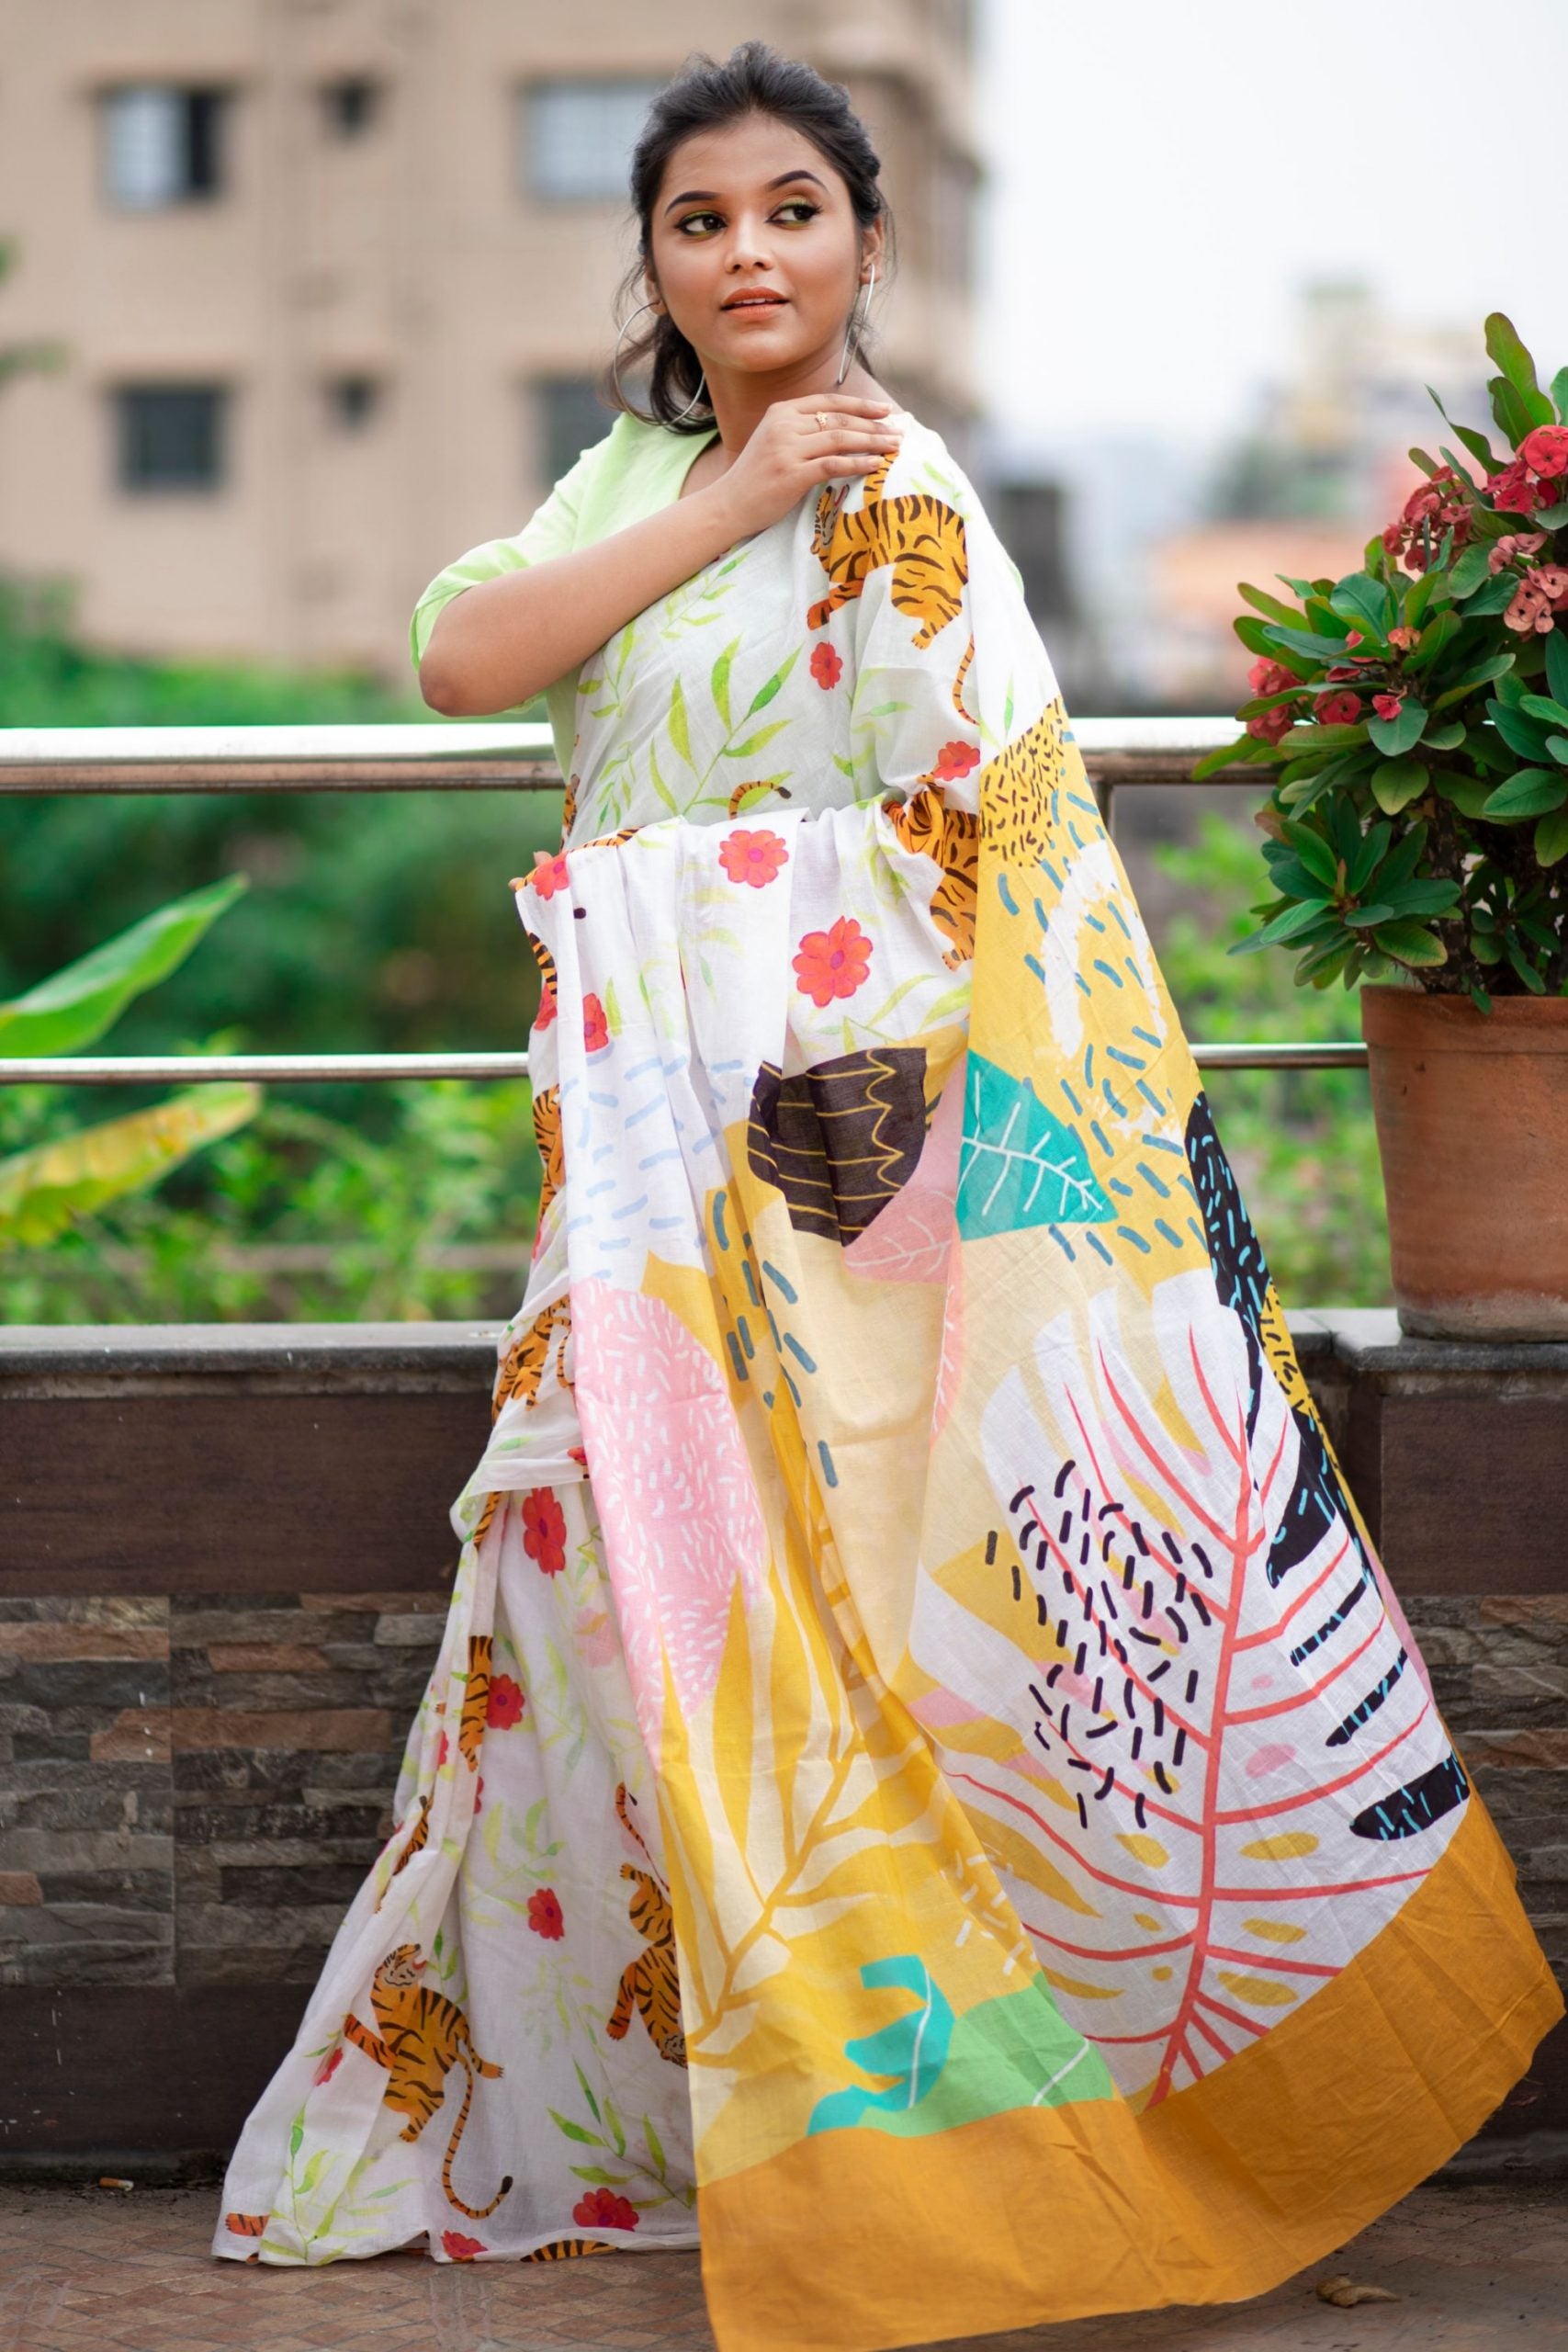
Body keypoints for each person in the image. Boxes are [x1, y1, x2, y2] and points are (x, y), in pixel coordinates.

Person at [213, 42, 1560, 2352]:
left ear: (862, 240)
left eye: (791, 211)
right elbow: (461, 653)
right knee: (606, 1590)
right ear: (653, 260)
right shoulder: (640, 474)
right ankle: (647, 2113)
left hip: (843, 1184)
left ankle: (961, 2137)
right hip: (636, 1174)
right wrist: (728, 496)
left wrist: (780, 537)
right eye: (699, 219)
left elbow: (977, 837)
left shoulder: (896, 483)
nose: (747, 252)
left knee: (863, 1629)